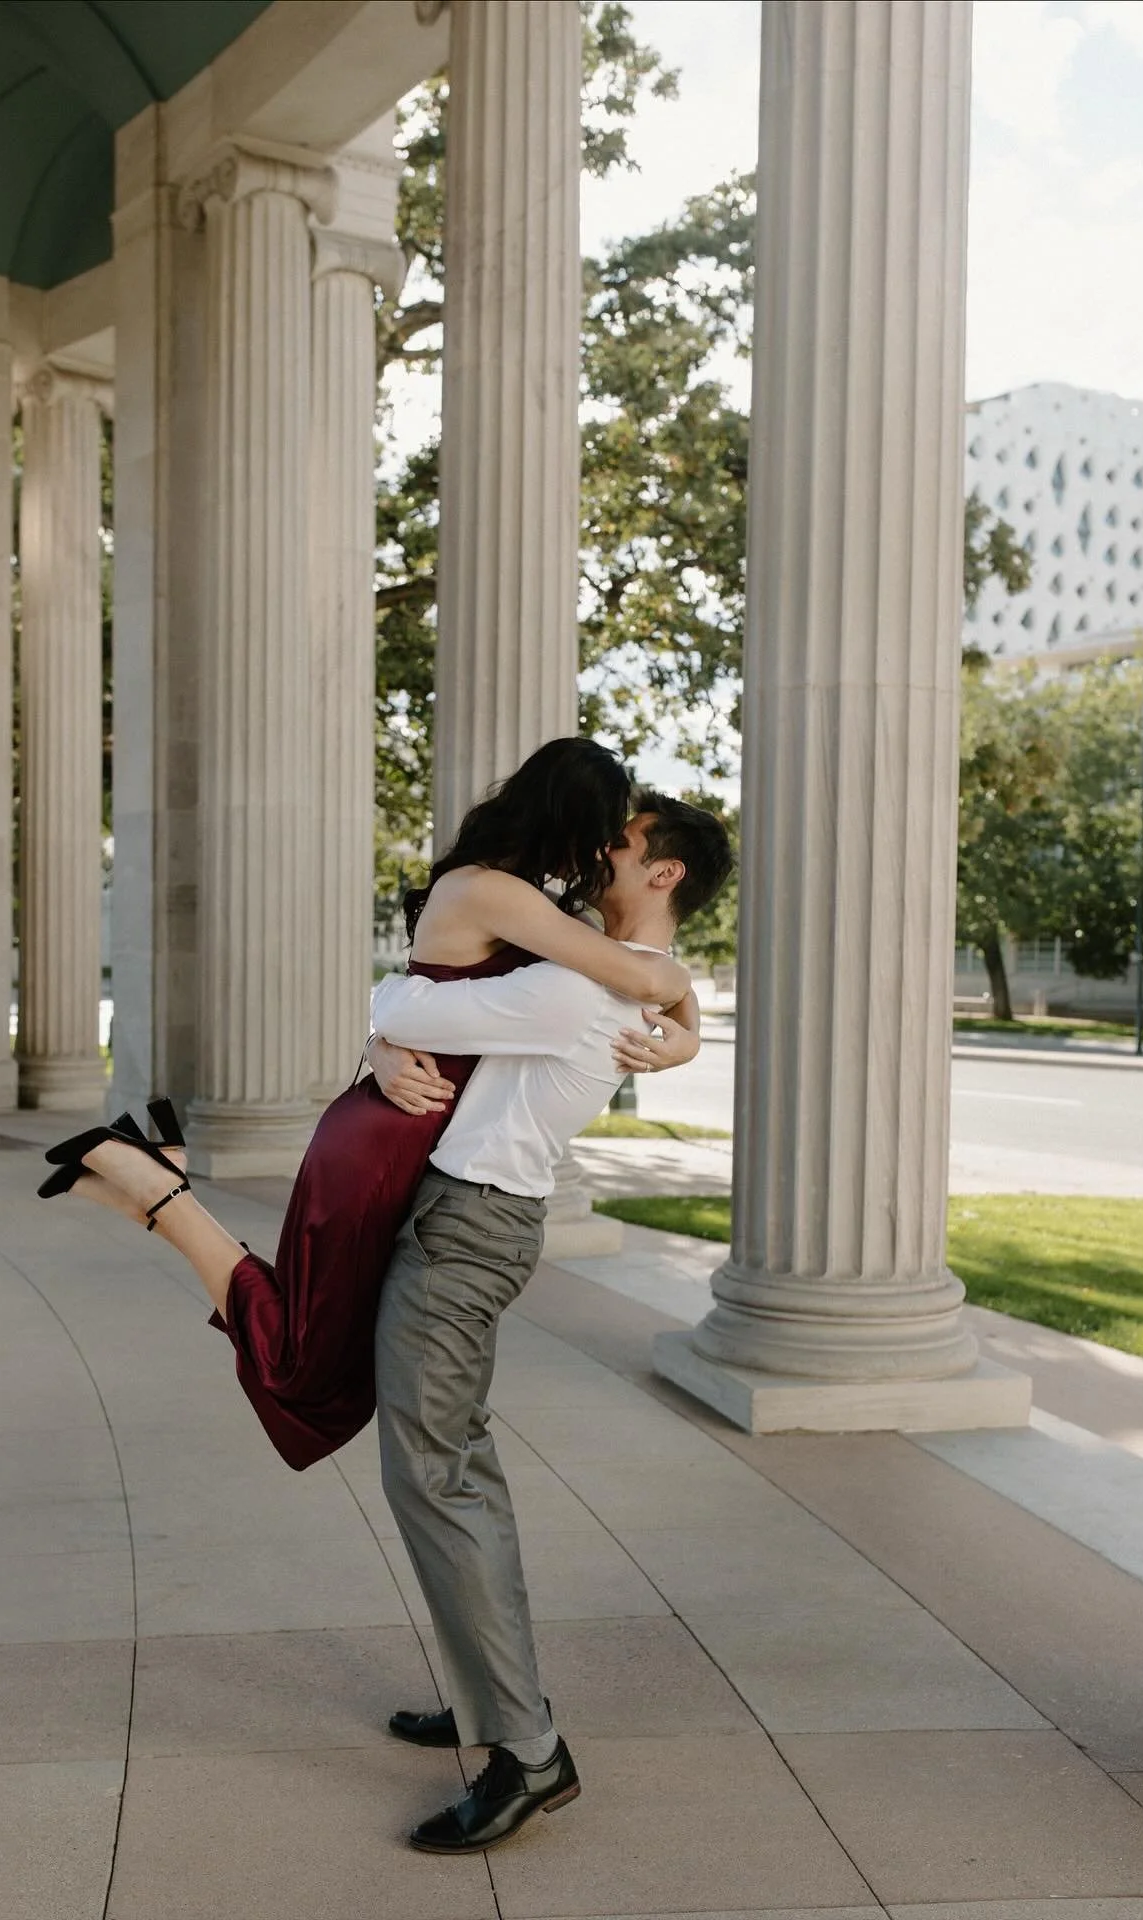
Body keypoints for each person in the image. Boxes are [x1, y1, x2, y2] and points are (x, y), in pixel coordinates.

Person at [43, 738, 700, 1471]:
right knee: (309, 1363)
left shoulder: (522, 898)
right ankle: (161, 1191)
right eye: (607, 829)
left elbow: (643, 969)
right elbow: (642, 978)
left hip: (398, 1124)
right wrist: (683, 1029)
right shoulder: (500, 894)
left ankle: (147, 1182)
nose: (603, 852)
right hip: (388, 1135)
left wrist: (687, 1032)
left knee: (325, 1344)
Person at [366, 793, 735, 1856]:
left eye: (615, 842)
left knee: (434, 1478)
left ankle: (527, 1752)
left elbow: (410, 999)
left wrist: (387, 1037)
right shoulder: (602, 978)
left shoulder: (575, 985)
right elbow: (419, 1015)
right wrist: (390, 1046)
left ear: (662, 874)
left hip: (466, 1232)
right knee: (458, 1474)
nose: (589, 850)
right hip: (479, 1220)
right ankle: (495, 1699)